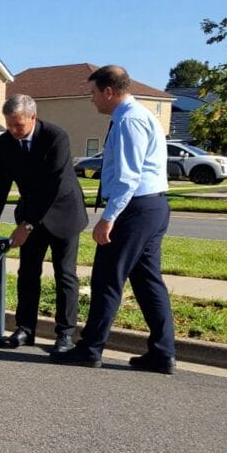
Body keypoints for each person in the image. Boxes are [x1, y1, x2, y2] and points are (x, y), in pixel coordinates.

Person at [52, 65, 174, 373]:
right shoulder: (143, 116)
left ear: (109, 91)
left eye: (93, 93)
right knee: (148, 282)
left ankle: (90, 349)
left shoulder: (128, 121)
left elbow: (128, 178)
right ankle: (162, 353)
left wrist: (108, 218)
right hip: (153, 206)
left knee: (106, 279)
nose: (91, 100)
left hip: (135, 208)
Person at [0, 95, 88, 354]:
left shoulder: (56, 137)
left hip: (63, 212)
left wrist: (26, 226)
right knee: (28, 273)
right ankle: (25, 329)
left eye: (19, 125)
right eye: (9, 125)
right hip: (30, 213)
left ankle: (65, 334)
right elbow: (1, 182)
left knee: (65, 274)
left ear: (33, 118)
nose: (14, 131)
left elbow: (52, 186)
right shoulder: (6, 141)